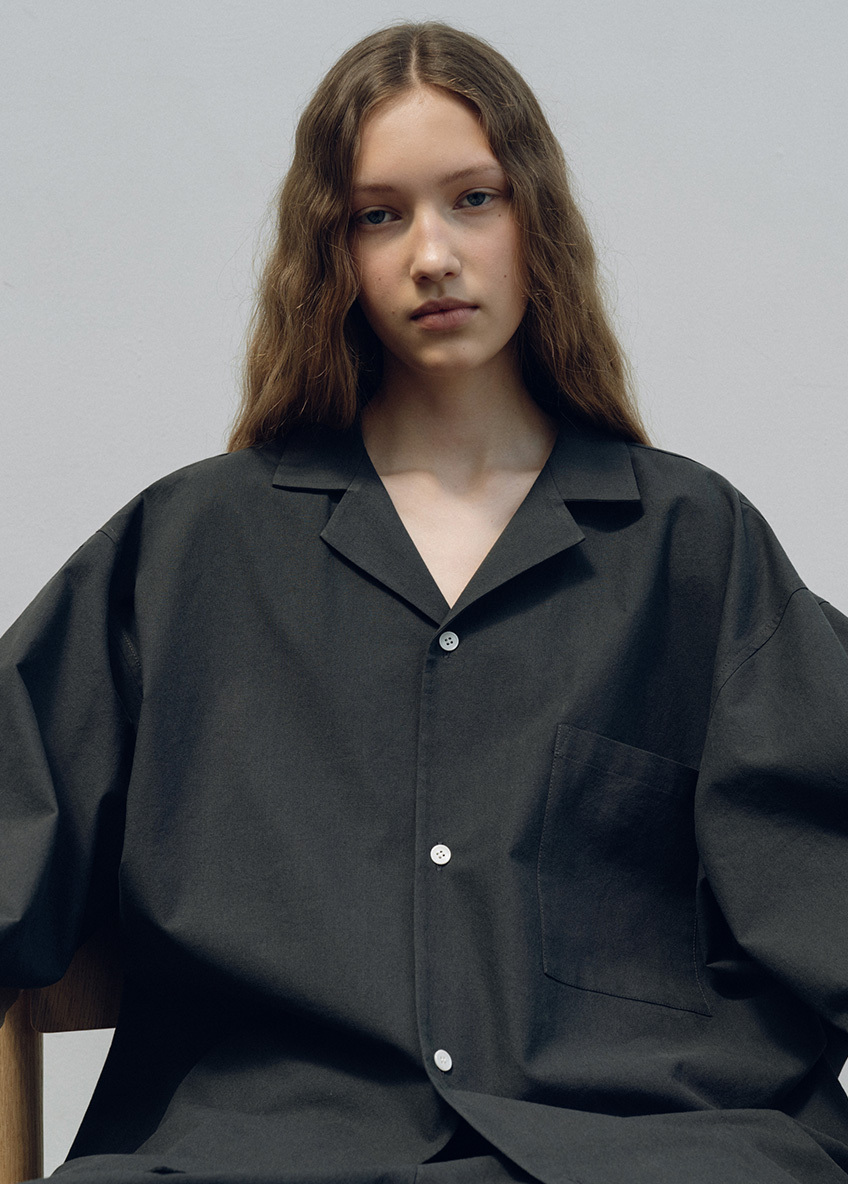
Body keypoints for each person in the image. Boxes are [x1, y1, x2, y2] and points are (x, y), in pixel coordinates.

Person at [1, 19, 847, 1184]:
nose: (432, 254)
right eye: (378, 215)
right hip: (261, 1152)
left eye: (472, 200)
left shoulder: (689, 541)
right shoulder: (188, 546)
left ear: (534, 219)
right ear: (330, 251)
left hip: (636, 1144)